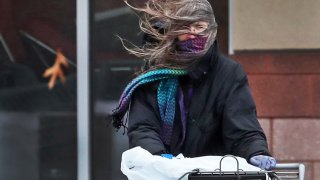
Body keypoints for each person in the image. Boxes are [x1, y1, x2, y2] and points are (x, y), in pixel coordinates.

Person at [109, 0, 276, 170]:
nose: (192, 32)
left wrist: (256, 152)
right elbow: (143, 128)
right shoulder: (154, 73)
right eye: (184, 26)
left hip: (214, 174)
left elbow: (242, 128)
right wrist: (159, 159)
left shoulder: (228, 73)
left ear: (211, 30)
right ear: (174, 31)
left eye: (199, 26)